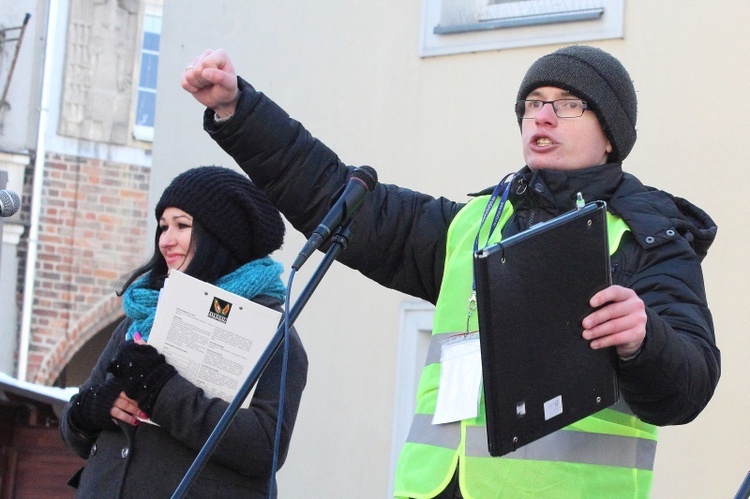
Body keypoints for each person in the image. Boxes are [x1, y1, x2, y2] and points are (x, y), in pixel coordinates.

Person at [181, 46, 720, 498]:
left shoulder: (647, 240)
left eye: (569, 104)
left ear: (611, 135)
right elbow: (333, 194)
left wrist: (644, 341)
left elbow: (689, 386)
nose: (543, 116)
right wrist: (238, 111)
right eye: (532, 103)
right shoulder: (470, 225)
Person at [60, 166, 308, 498]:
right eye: (163, 227)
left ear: (224, 237)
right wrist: (91, 410)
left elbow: (263, 447)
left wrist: (162, 390)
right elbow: (73, 431)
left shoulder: (272, 334)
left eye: (182, 226)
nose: (166, 240)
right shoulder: (138, 318)